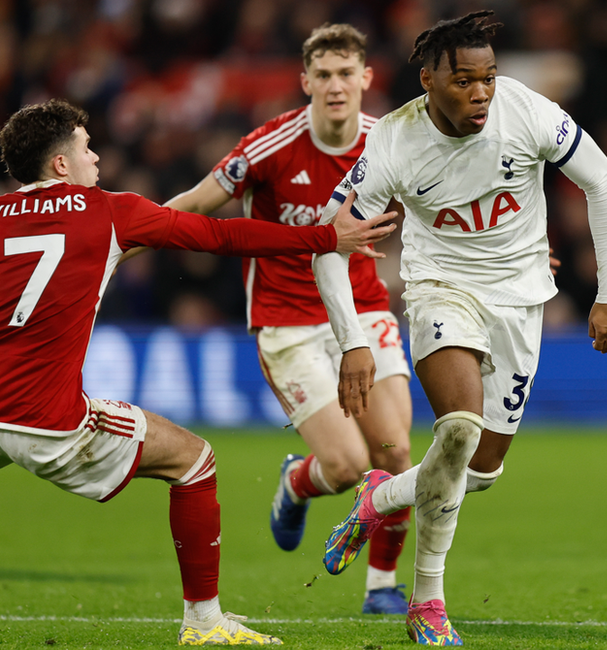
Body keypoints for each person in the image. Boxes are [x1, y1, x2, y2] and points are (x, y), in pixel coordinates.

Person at [0, 98, 395, 646]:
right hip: (49, 421)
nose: (96, 157)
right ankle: (204, 622)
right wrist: (323, 236)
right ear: (60, 162)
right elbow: (221, 235)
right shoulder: (111, 211)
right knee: (194, 461)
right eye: (87, 148)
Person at [312, 11, 607, 646]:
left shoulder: (526, 111)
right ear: (428, 79)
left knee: (477, 469)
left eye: (487, 78)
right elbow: (326, 239)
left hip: (521, 299)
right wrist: (352, 340)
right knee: (456, 431)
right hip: (441, 290)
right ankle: (428, 601)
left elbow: (602, 180)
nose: (480, 93)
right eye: (463, 81)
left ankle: (382, 495)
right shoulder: (395, 142)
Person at [162, 23, 415, 614]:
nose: (334, 85)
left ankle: (382, 587)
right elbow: (198, 204)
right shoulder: (269, 147)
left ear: (366, 79)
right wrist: (120, 241)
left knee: (396, 456)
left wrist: (521, 246)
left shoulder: (392, 142)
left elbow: (452, 199)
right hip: (287, 320)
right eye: (322, 75)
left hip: (364, 307)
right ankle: (298, 482)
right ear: (305, 81)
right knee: (349, 465)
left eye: (345, 73)